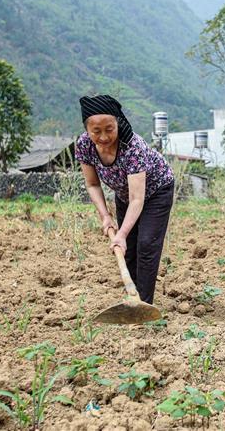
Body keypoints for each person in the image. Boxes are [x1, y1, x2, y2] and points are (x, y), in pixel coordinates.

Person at [75, 94, 174, 304]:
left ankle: (144, 304)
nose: (103, 137)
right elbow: (92, 184)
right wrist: (105, 216)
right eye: (96, 131)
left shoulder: (133, 147)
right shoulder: (84, 145)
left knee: (146, 244)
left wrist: (121, 232)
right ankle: (132, 298)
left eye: (109, 129)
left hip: (156, 191)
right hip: (124, 194)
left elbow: (137, 198)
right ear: (87, 130)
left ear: (117, 123)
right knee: (127, 247)